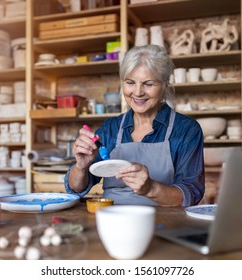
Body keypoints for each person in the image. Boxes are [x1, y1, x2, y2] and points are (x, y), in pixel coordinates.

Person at [64, 44, 205, 207]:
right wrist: (81, 166)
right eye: (130, 82)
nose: (138, 92)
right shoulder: (110, 129)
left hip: (165, 222)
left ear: (164, 85)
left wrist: (151, 188)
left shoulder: (186, 130)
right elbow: (76, 188)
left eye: (148, 84)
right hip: (113, 217)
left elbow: (190, 194)